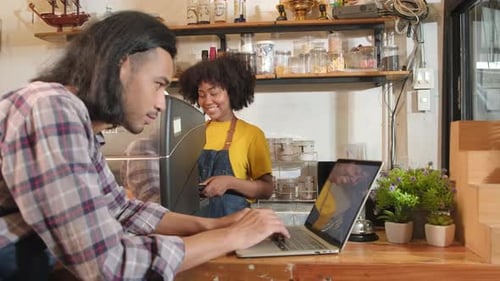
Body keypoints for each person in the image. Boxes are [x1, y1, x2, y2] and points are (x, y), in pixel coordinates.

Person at [0, 11, 289, 281]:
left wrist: (214, 225)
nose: (162, 103)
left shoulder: (75, 120)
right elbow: (107, 265)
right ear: (122, 66)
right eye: (158, 84)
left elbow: (121, 209)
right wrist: (232, 237)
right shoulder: (51, 108)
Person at [178, 55, 274, 218]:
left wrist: (230, 182)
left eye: (214, 93)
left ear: (232, 91)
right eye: (202, 95)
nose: (207, 101)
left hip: (233, 229)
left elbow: (266, 190)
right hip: (196, 225)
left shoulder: (251, 134)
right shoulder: (193, 132)